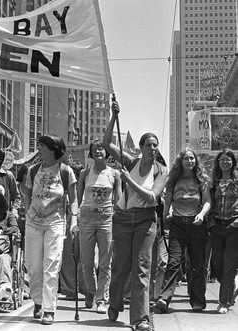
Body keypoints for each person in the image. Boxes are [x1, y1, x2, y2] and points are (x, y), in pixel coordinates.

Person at [102, 102, 168, 331]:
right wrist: (113, 116)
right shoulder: (130, 161)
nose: (153, 148)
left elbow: (152, 197)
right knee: (120, 266)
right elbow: (105, 143)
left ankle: (140, 319)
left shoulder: (161, 170)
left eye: (155, 145)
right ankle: (115, 301)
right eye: (149, 145)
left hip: (145, 220)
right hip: (123, 218)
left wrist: (128, 181)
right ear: (140, 148)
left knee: (142, 268)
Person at [22, 134, 78, 325]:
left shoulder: (66, 171)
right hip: (33, 223)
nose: (39, 148)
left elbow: (74, 199)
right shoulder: (33, 170)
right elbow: (27, 193)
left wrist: (74, 220)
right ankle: (37, 301)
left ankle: (49, 309)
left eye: (42, 146)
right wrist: (28, 209)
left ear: (53, 149)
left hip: (55, 223)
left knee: (51, 266)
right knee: (34, 266)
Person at [155, 148, 210, 313]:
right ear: (181, 161)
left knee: (197, 264)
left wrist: (201, 214)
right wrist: (164, 221)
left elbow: (207, 201)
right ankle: (164, 298)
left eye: (192, 159)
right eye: (186, 159)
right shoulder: (173, 179)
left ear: (196, 161)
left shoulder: (201, 180)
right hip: (177, 224)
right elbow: (168, 203)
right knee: (173, 262)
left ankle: (198, 301)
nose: (190, 162)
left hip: (196, 225)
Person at [77, 141, 121, 314]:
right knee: (86, 262)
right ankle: (91, 290)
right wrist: (75, 218)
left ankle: (101, 299)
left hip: (107, 217)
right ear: (91, 154)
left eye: (101, 148)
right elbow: (77, 199)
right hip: (87, 216)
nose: (97, 151)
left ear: (106, 152)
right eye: (94, 149)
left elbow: (118, 200)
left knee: (105, 262)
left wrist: (117, 218)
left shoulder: (114, 174)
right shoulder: (84, 173)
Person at [207, 148, 238, 314]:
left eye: (228, 159)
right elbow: (209, 204)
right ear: (218, 162)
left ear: (233, 162)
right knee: (217, 266)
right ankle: (232, 286)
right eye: (222, 159)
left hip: (234, 227)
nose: (225, 162)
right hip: (217, 226)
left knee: (229, 266)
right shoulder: (214, 182)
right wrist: (211, 224)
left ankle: (223, 303)